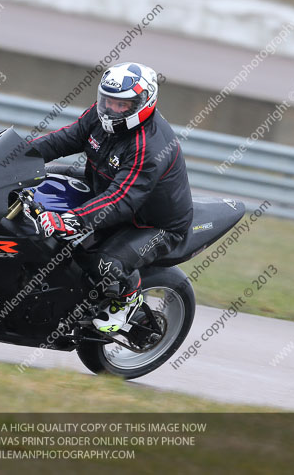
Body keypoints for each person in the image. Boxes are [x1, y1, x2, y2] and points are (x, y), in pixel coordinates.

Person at [28, 62, 193, 333]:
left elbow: (122, 199)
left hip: (154, 224)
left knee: (105, 260)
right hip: (104, 187)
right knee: (40, 181)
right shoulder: (99, 115)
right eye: (108, 101)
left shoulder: (149, 146)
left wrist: (72, 220)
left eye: (123, 105)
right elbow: (62, 140)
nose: (113, 109)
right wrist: (16, 156)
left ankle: (127, 299)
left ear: (144, 103)